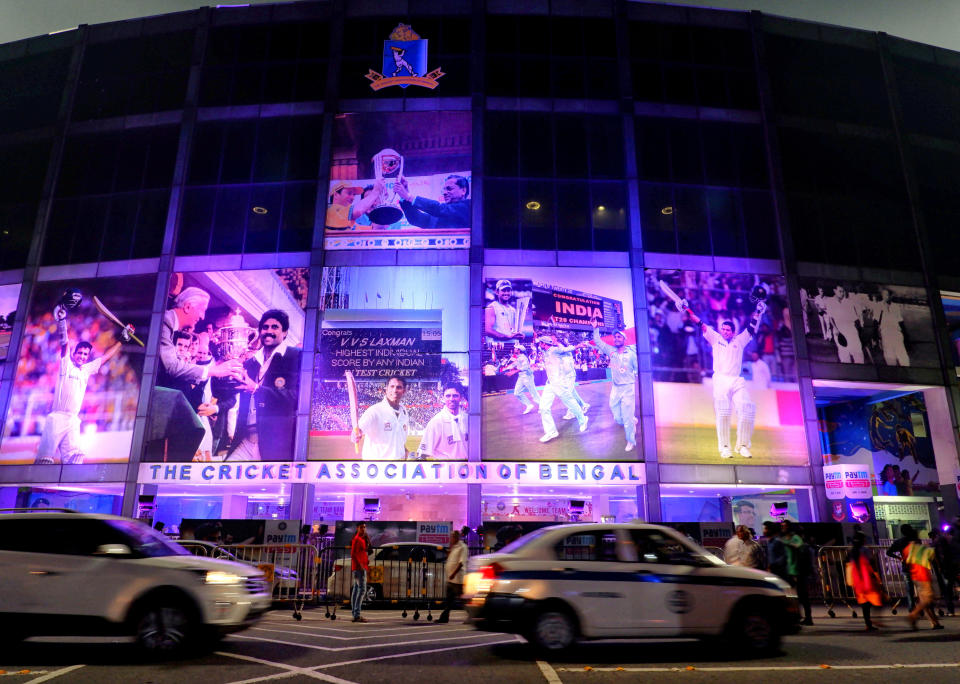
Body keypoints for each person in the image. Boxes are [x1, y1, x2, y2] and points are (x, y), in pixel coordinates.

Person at [35, 303, 128, 465]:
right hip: (56, 418)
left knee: (75, 459)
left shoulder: (86, 369)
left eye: (86, 354)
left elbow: (105, 357)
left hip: (73, 420)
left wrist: (122, 340)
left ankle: (66, 489)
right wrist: (62, 320)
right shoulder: (66, 364)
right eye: (81, 353)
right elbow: (64, 343)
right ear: (75, 353)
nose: (83, 356)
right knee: (44, 461)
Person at [685, 306, 759, 459]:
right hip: (720, 379)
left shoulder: (739, 341)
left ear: (733, 332)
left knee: (747, 409)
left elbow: (751, 328)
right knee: (723, 412)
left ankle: (743, 446)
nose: (725, 332)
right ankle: (725, 448)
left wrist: (758, 312)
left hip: (736, 380)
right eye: (723, 329)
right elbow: (699, 323)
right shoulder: (715, 338)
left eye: (727, 330)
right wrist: (687, 309)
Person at [227, 309, 301, 461]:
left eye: (275, 327)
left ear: (285, 332)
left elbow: (296, 397)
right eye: (265, 327)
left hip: (275, 443)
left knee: (269, 485)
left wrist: (257, 389)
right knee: (226, 483)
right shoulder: (250, 362)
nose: (269, 331)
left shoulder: (295, 357)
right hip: (245, 439)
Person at [158, 287, 243, 391]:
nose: (203, 317)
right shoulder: (165, 322)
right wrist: (212, 371)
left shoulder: (169, 324)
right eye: (202, 310)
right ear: (187, 307)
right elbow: (172, 367)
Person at [591, 321, 637, 451]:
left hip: (628, 388)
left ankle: (630, 440)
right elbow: (598, 342)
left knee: (627, 418)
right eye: (615, 337)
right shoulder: (611, 351)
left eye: (619, 337)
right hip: (616, 389)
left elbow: (637, 369)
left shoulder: (632, 354)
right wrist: (595, 328)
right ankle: (630, 421)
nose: (616, 339)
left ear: (624, 339)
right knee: (617, 418)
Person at [536, 334, 587, 443]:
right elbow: (538, 344)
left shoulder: (555, 350)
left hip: (559, 383)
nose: (539, 344)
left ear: (544, 344)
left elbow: (566, 349)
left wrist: (578, 346)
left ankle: (583, 419)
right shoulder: (544, 350)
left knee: (570, 403)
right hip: (549, 384)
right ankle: (551, 432)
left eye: (541, 343)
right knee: (544, 408)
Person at [353, 376, 410, 460]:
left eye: (399, 387)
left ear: (404, 391)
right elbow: (360, 429)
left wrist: (404, 450)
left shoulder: (404, 411)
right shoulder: (374, 410)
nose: (395, 390)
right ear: (386, 389)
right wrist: (356, 434)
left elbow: (400, 437)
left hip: (398, 466)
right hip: (377, 466)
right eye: (392, 386)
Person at [396, 174, 470, 229]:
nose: (444, 192)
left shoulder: (468, 206)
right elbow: (416, 219)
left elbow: (440, 209)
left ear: (463, 190)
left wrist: (409, 197)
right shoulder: (440, 213)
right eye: (444, 189)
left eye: (449, 189)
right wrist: (404, 196)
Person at [417, 383, 468, 460]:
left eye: (455, 395)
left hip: (468, 468)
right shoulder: (436, 422)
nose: (451, 399)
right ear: (443, 398)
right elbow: (422, 454)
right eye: (448, 396)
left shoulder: (468, 419)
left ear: (461, 397)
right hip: (445, 469)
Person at [903, 534, 944, 630]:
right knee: (928, 599)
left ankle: (934, 622)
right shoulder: (922, 549)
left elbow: (906, 563)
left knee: (924, 601)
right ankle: (913, 615)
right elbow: (934, 557)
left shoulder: (906, 549)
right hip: (924, 576)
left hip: (915, 577)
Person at [845, 531, 884, 631]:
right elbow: (870, 564)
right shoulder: (865, 550)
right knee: (878, 600)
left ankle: (868, 624)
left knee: (864, 604)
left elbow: (849, 564)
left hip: (857, 581)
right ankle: (875, 619)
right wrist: (876, 577)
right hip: (867, 579)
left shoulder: (851, 551)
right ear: (863, 540)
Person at [781, 521, 814, 625]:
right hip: (789, 570)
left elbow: (799, 546)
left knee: (803, 595)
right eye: (782, 526)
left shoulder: (795, 538)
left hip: (797, 570)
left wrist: (787, 543)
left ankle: (808, 618)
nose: (783, 528)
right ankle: (796, 616)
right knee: (792, 596)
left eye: (785, 526)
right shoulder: (783, 539)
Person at [825, 285, 865, 364]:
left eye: (843, 291)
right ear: (834, 291)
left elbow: (854, 318)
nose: (842, 293)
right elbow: (830, 317)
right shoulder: (830, 301)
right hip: (839, 330)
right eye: (840, 291)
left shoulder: (848, 302)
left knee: (857, 351)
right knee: (844, 353)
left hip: (851, 328)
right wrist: (835, 329)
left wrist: (859, 329)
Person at [437, 529, 468, 624]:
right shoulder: (454, 547)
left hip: (457, 578)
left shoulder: (462, 547)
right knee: (449, 599)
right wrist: (450, 548)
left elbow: (461, 562)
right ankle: (444, 617)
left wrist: (454, 573)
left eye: (452, 537)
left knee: (462, 599)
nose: (451, 539)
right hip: (451, 578)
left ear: (456, 537)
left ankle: (471, 616)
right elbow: (449, 558)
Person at [886, 524, 918, 612]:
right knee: (920, 588)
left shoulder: (900, 542)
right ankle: (923, 607)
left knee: (909, 590)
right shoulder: (916, 541)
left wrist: (899, 558)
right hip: (917, 567)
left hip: (906, 567)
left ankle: (912, 608)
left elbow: (888, 552)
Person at [876, 288, 910, 367]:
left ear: (890, 296)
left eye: (887, 294)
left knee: (902, 355)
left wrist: (906, 335)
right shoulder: (878, 306)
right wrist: (877, 338)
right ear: (882, 296)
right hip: (885, 333)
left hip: (897, 333)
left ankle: (907, 373)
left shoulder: (895, 306)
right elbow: (876, 322)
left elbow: (900, 321)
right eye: (884, 294)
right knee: (889, 357)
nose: (886, 296)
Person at [502, 344, 539, 414]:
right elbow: (514, 364)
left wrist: (513, 372)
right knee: (517, 393)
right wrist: (505, 369)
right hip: (521, 377)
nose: (514, 349)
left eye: (516, 348)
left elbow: (525, 368)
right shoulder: (518, 357)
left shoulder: (523, 357)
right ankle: (529, 405)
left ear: (519, 350)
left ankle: (542, 406)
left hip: (528, 377)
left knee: (533, 393)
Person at [929, 528, 956, 616]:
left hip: (942, 569)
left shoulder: (935, 543)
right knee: (949, 589)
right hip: (951, 567)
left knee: (946, 590)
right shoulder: (948, 541)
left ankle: (950, 610)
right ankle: (950, 610)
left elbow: (937, 557)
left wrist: (940, 567)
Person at [350, 523, 371, 623]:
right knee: (362, 589)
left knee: (356, 589)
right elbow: (353, 553)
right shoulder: (357, 539)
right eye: (361, 527)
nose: (363, 529)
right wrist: (361, 564)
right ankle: (356, 614)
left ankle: (355, 613)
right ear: (357, 528)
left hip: (359, 567)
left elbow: (362, 552)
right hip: (359, 568)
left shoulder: (362, 539)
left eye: (364, 527)